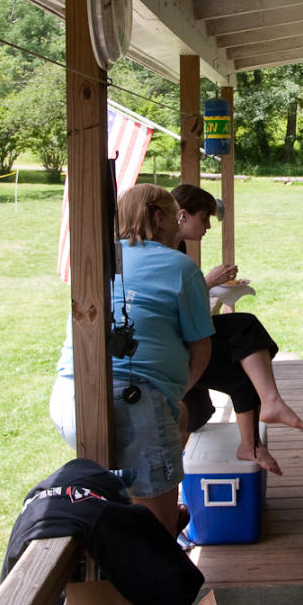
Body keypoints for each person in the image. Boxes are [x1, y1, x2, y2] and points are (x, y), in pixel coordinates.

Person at [51, 184, 214, 537]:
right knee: (158, 528)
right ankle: (153, 574)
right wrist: (169, 394)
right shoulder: (180, 266)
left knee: (180, 418)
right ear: (158, 217)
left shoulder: (99, 256)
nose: (177, 224)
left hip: (69, 397)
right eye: (175, 217)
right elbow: (201, 352)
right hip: (134, 404)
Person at [171, 183, 303, 476]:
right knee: (245, 332)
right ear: (182, 216)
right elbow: (173, 300)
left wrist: (208, 285)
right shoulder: (163, 251)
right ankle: (269, 407)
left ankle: (251, 443)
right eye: (204, 217)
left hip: (182, 334)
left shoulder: (178, 246)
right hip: (170, 347)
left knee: (245, 361)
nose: (208, 225)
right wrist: (208, 282)